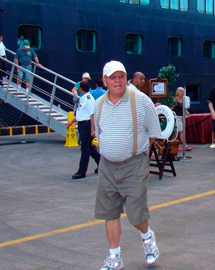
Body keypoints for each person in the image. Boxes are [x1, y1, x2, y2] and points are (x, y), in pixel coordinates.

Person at [93, 60, 161, 270]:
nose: (117, 81)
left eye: (121, 76)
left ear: (126, 78)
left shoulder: (142, 101)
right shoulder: (99, 105)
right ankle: (115, 256)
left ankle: (148, 238)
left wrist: (133, 151)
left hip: (134, 164)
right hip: (107, 167)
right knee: (109, 213)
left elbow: (153, 134)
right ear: (105, 81)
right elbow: (99, 133)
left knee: (135, 214)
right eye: (112, 77)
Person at [66, 81, 101, 179]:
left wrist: (92, 130)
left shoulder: (88, 99)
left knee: (85, 149)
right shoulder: (83, 98)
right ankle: (101, 164)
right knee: (89, 147)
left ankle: (82, 171)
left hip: (87, 125)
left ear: (81, 89)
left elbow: (92, 114)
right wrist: (71, 122)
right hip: (83, 124)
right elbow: (81, 114)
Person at [171, 87, 191, 156]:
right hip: (177, 117)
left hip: (183, 116)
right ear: (178, 92)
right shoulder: (175, 100)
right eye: (181, 92)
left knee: (181, 131)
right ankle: (185, 145)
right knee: (181, 130)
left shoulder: (183, 99)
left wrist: (188, 114)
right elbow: (171, 108)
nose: (182, 93)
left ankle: (174, 143)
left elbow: (185, 109)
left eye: (183, 92)